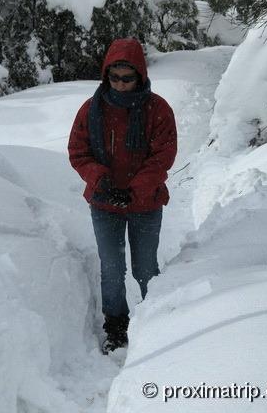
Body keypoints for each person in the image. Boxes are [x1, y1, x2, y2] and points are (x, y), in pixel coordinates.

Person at [68, 38, 177, 354]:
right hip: (104, 204)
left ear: (140, 76)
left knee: (145, 268)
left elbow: (163, 155)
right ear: (106, 75)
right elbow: (78, 151)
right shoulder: (91, 110)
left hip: (145, 202)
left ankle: (154, 320)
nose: (120, 84)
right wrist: (100, 181)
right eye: (114, 77)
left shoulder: (158, 109)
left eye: (127, 78)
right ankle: (116, 325)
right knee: (112, 267)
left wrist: (135, 190)